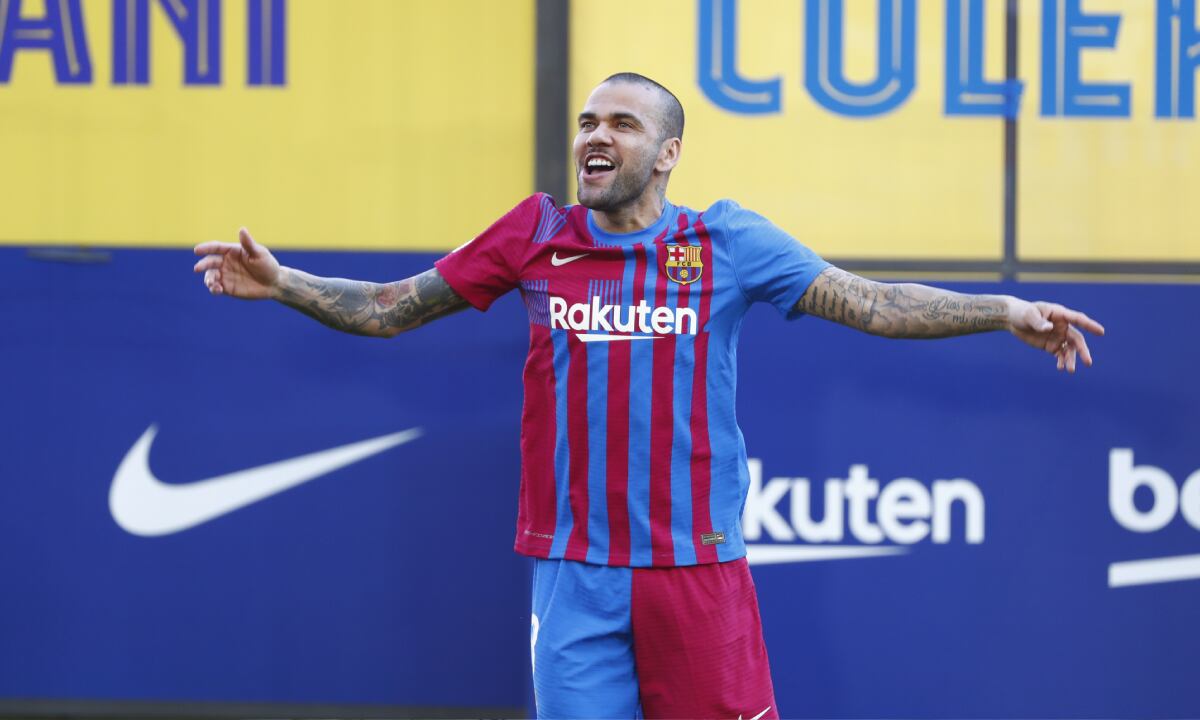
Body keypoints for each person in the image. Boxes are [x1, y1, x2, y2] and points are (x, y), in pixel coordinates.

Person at [194, 72, 1104, 719]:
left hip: (698, 573)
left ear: (667, 153)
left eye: (622, 124)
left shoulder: (727, 242)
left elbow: (871, 303)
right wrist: (285, 283)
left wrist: (1003, 308)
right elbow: (391, 310)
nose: (596, 135)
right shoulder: (534, 235)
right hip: (574, 573)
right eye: (589, 120)